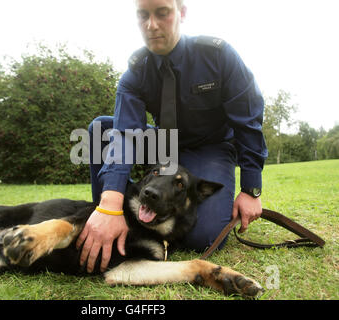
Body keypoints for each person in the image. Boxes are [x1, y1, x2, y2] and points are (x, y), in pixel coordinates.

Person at [76, 0, 268, 273]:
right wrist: (110, 204)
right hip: (162, 145)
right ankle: (112, 216)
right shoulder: (136, 71)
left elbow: (247, 122)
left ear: (182, 12)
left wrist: (251, 189)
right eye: (143, 15)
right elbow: (125, 135)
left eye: (162, 13)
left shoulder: (218, 56)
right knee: (102, 131)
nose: (151, 25)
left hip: (209, 146)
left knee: (205, 237)